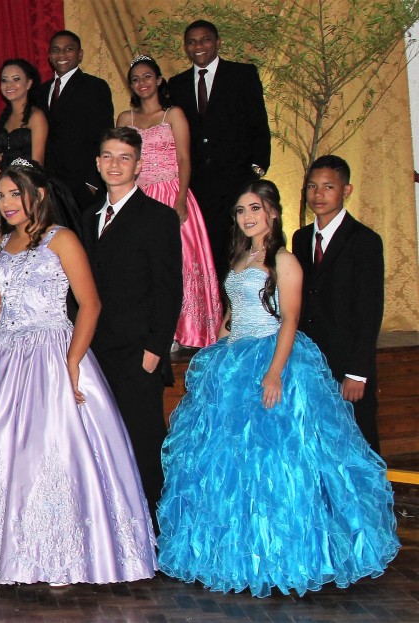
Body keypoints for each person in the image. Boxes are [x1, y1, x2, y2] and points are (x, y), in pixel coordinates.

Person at [157, 179, 397, 597]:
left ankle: (283, 553)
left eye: (254, 208)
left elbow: (290, 319)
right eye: (240, 210)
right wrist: (217, 348)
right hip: (234, 361)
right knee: (228, 462)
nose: (246, 217)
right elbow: (232, 312)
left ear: (272, 212)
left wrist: (274, 372)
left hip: (273, 357)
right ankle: (233, 552)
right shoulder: (240, 256)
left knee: (278, 460)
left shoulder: (284, 259)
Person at [0, 160, 156, 586]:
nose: (6, 203)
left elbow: (90, 304)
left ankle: (59, 555)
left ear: (39, 195)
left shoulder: (61, 239)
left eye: (15, 193)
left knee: (49, 449)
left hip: (51, 353)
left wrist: (73, 360)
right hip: (4, 359)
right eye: (1, 195)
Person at [79, 127, 182, 512]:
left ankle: (154, 527)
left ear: (139, 165)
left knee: (143, 443)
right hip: (94, 352)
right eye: (107, 156)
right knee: (98, 442)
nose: (115, 164)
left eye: (124, 157)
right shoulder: (87, 217)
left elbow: (169, 289)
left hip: (138, 353)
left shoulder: (159, 217)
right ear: (97, 163)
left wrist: (156, 348)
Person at [118, 55, 222, 349]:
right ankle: (151, 329)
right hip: (138, 196)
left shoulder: (173, 114)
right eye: (136, 79)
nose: (142, 83)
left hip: (172, 192)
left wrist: (181, 198)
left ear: (159, 80)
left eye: (147, 76)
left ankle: (185, 330)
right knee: (143, 265)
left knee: (180, 261)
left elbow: (185, 159)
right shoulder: (125, 119)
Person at [292, 156, 385, 453]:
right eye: (312, 186)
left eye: (328, 187)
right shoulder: (301, 238)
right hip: (310, 359)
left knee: (358, 441)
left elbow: (369, 311)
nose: (318, 194)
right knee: (317, 441)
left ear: (346, 190)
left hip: (347, 361)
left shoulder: (364, 241)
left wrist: (357, 372)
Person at [167, 20, 271, 275]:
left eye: (205, 40)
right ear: (185, 47)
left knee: (238, 251)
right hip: (197, 187)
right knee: (204, 255)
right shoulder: (177, 84)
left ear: (217, 42)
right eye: (192, 42)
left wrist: (255, 171)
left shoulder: (242, 75)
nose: (198, 46)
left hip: (236, 181)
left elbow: (258, 124)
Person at [0, 59, 49, 336]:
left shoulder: (37, 117)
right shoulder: (4, 119)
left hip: (27, 192)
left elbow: (37, 163)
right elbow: (0, 164)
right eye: (5, 80)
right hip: (3, 192)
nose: (9, 85)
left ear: (29, 83)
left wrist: (28, 200)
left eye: (16, 79)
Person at [33, 30, 115, 212]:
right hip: (47, 185)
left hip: (82, 187)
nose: (61, 54)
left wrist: (92, 182)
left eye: (68, 49)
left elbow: (105, 136)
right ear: (49, 56)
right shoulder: (40, 92)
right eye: (56, 50)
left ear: (80, 54)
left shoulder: (94, 87)